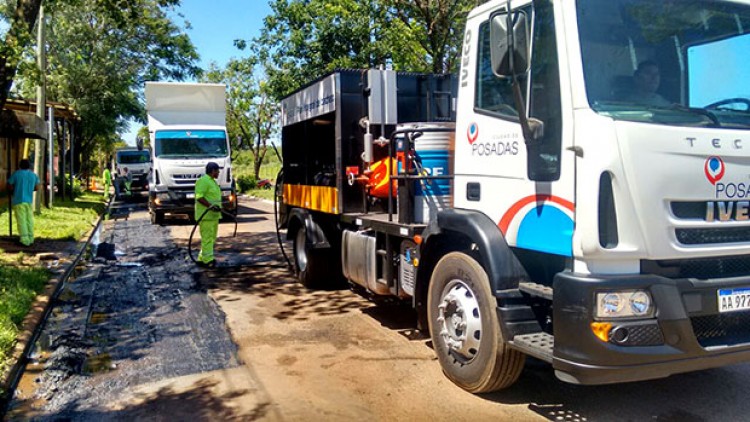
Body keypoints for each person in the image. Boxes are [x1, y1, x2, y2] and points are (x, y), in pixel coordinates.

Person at [194, 162, 222, 268]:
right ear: (213, 171)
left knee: (211, 238)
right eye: (217, 171)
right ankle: (208, 260)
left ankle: (202, 258)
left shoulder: (212, 182)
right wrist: (211, 206)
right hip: (206, 216)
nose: (218, 173)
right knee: (207, 238)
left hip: (213, 216)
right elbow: (199, 197)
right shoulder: (203, 181)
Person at [7, 159, 41, 246]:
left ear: (20, 165)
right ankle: (30, 238)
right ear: (29, 166)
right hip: (29, 200)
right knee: (29, 219)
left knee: (21, 220)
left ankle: (24, 240)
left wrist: (15, 189)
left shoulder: (16, 174)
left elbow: (9, 185)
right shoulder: (33, 175)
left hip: (18, 200)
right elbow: (37, 187)